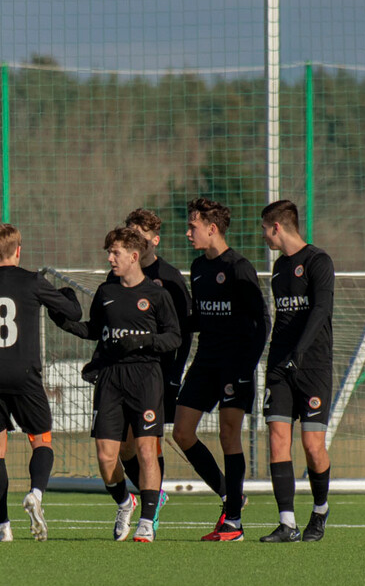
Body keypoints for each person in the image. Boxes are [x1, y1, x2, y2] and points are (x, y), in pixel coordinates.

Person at [0, 224, 82, 542]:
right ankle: (35, 493)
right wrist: (68, 293)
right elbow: (74, 313)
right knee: (42, 441)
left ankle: (2, 527)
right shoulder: (33, 281)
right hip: (25, 375)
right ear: (18, 251)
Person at [51, 227, 180, 542]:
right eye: (109, 253)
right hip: (110, 378)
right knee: (106, 456)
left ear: (134, 256)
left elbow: (174, 338)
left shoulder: (158, 295)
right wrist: (65, 323)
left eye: (116, 253)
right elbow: (94, 330)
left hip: (146, 378)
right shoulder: (106, 293)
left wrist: (141, 341)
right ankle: (125, 502)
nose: (110, 258)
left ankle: (147, 521)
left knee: (147, 449)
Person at [172, 198, 268, 541]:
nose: (188, 233)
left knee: (229, 434)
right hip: (206, 361)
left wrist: (246, 367)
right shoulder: (198, 268)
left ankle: (234, 522)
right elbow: (199, 318)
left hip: (235, 364)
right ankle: (231, 494)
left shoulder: (240, 267)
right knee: (181, 432)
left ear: (212, 229)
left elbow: (262, 322)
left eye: (193, 227)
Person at [105, 209, 193, 525]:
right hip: (120, 376)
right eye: (129, 232)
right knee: (125, 448)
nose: (134, 239)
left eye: (140, 234)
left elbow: (182, 333)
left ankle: (150, 512)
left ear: (153, 241)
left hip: (156, 375)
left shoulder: (169, 279)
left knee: (149, 443)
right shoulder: (114, 277)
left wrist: (175, 374)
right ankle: (152, 494)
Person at [259, 199, 334, 543]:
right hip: (279, 366)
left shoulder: (318, 261)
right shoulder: (277, 269)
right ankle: (287, 523)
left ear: (277, 227)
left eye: (265, 229)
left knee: (312, 445)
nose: (264, 235)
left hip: (312, 366)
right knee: (277, 440)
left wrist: (300, 352)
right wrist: (276, 359)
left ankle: (319, 511)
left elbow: (321, 311)